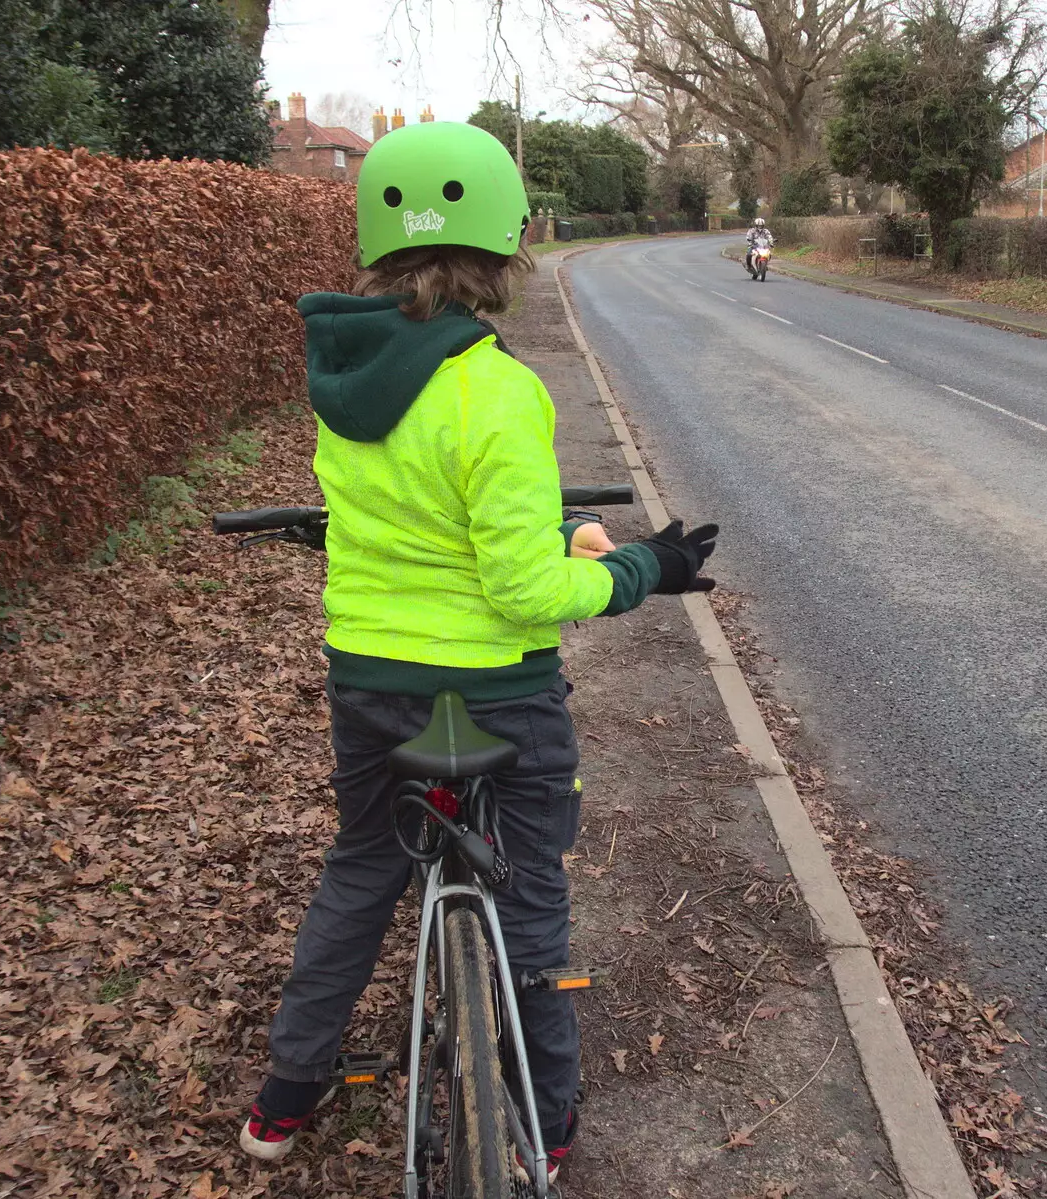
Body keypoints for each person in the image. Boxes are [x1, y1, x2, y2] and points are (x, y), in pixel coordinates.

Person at [238, 120, 720, 1184]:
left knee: (363, 866)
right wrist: (644, 569)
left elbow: (411, 513)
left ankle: (281, 1103)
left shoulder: (341, 376)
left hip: (372, 680)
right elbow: (519, 586)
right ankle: (545, 1127)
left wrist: (543, 532)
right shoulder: (494, 388)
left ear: (375, 240)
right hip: (498, 692)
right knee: (533, 899)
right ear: (506, 244)